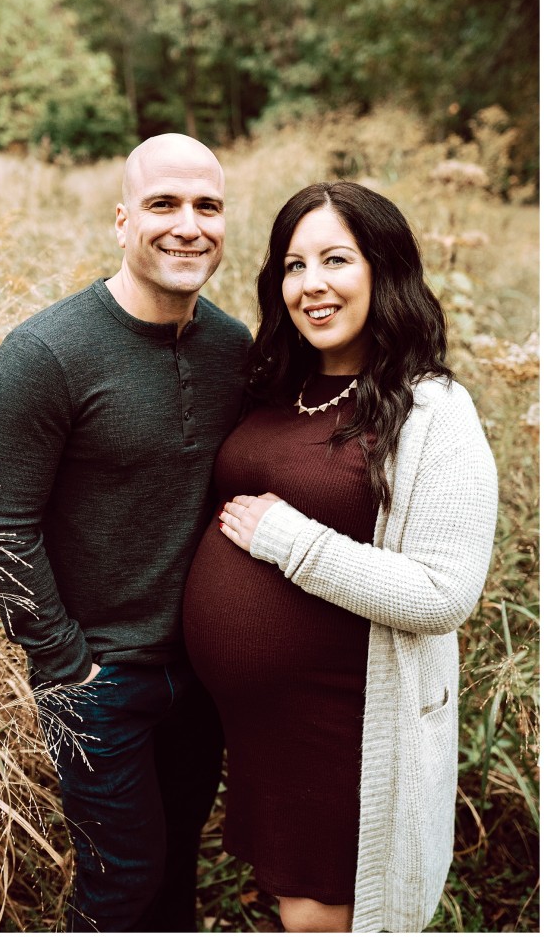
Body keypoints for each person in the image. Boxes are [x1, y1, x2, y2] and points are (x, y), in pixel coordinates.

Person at [183, 181, 498, 933]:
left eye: (335, 259)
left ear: (382, 271)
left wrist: (292, 543)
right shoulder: (280, 387)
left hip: (348, 723)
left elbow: (445, 593)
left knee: (322, 914)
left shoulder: (433, 410)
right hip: (270, 729)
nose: (311, 285)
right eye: (294, 265)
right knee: (303, 908)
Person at [0, 133, 252, 933]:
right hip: (101, 682)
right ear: (123, 221)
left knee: (177, 872)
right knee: (121, 887)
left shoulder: (234, 349)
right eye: (163, 205)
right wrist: (67, 666)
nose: (187, 225)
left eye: (207, 206)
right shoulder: (46, 354)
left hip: (201, 675)